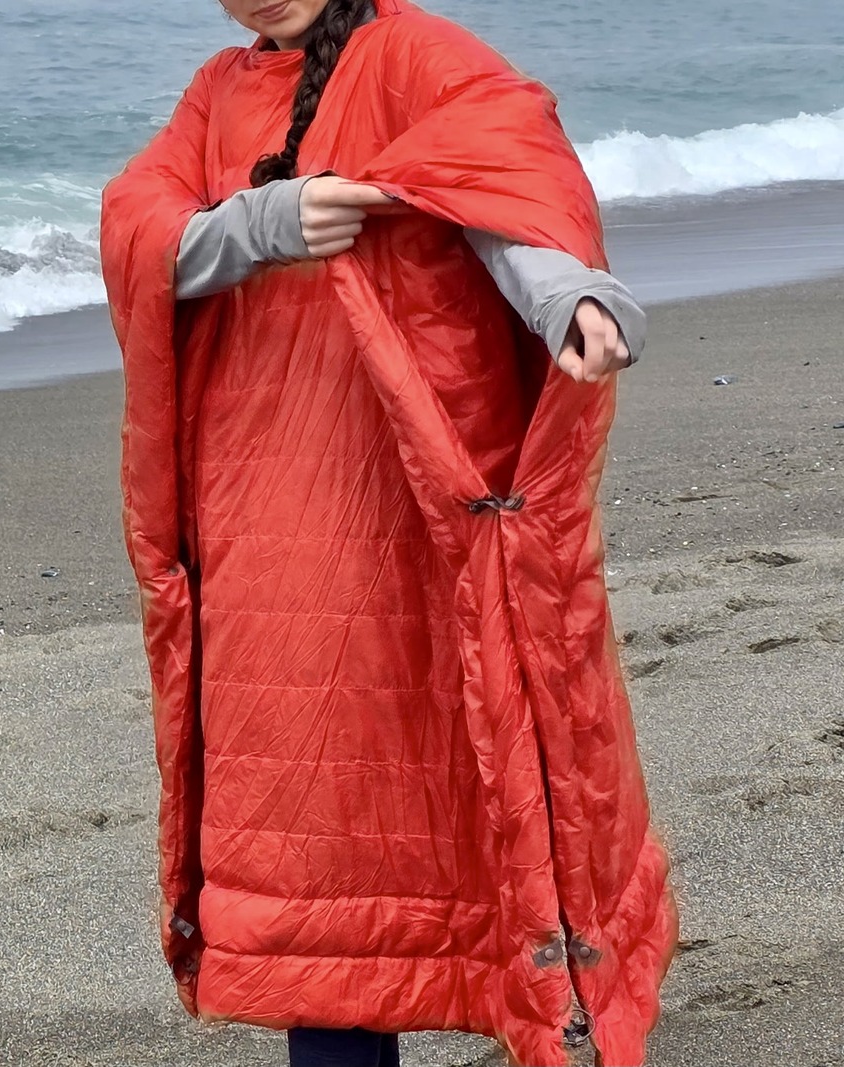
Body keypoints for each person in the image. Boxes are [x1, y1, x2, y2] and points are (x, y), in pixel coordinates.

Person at [98, 2, 678, 1065]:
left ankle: (553, 1012)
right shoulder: (220, 88)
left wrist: (575, 301)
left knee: (480, 747)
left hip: (419, 486)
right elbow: (141, 230)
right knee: (311, 813)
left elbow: (505, 196)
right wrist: (266, 221)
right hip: (267, 498)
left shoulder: (420, 55)